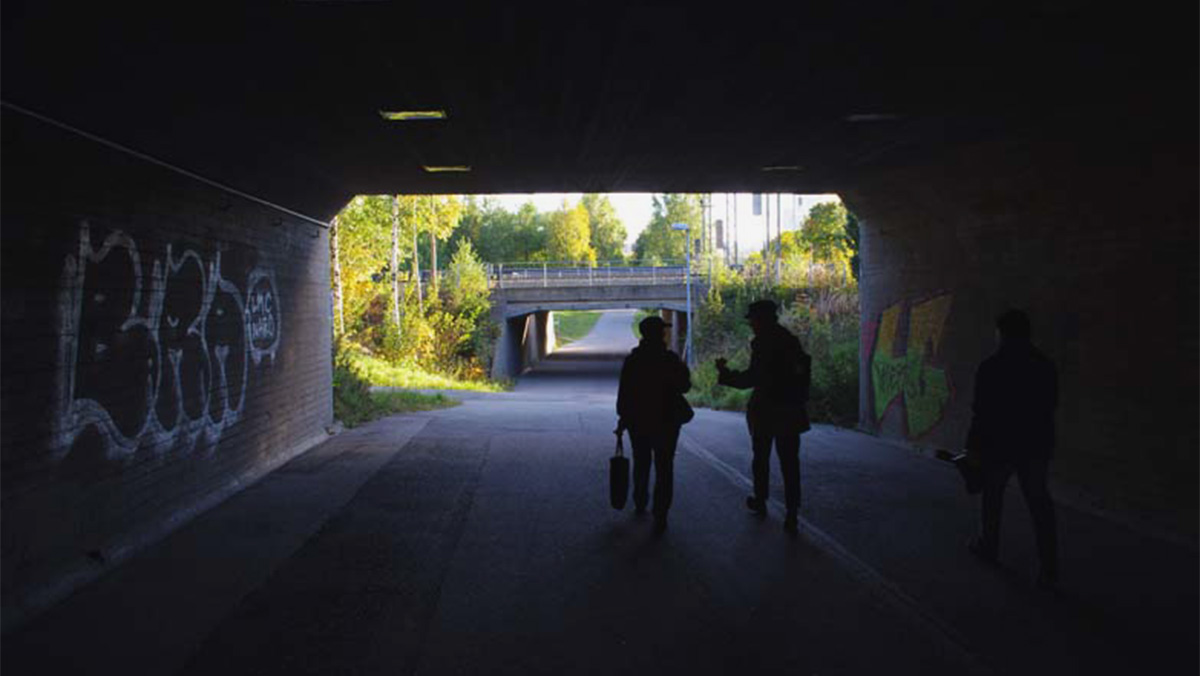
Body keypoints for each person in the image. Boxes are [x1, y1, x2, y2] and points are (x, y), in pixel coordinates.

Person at [965, 309, 1059, 587]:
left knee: (992, 496)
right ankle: (1049, 569)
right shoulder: (1045, 365)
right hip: (1036, 444)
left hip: (1000, 445)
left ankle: (989, 546)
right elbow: (1051, 405)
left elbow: (981, 412)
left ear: (1002, 334)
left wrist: (973, 446)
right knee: (1039, 503)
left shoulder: (991, 367)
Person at [715, 300, 811, 535]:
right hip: (790, 409)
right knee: (790, 462)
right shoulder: (790, 341)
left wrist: (726, 374)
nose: (751, 324)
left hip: (767, 410)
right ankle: (792, 511)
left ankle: (760, 499)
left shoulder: (764, 343)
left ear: (761, 319)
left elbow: (753, 378)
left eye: (753, 320)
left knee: (761, 458)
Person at [616, 315, 692, 534]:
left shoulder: (633, 360)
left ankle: (640, 501)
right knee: (664, 466)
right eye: (662, 331)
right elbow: (685, 386)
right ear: (660, 334)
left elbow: (624, 393)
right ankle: (661, 513)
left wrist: (623, 419)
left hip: (638, 420)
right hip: (667, 420)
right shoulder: (670, 359)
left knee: (641, 461)